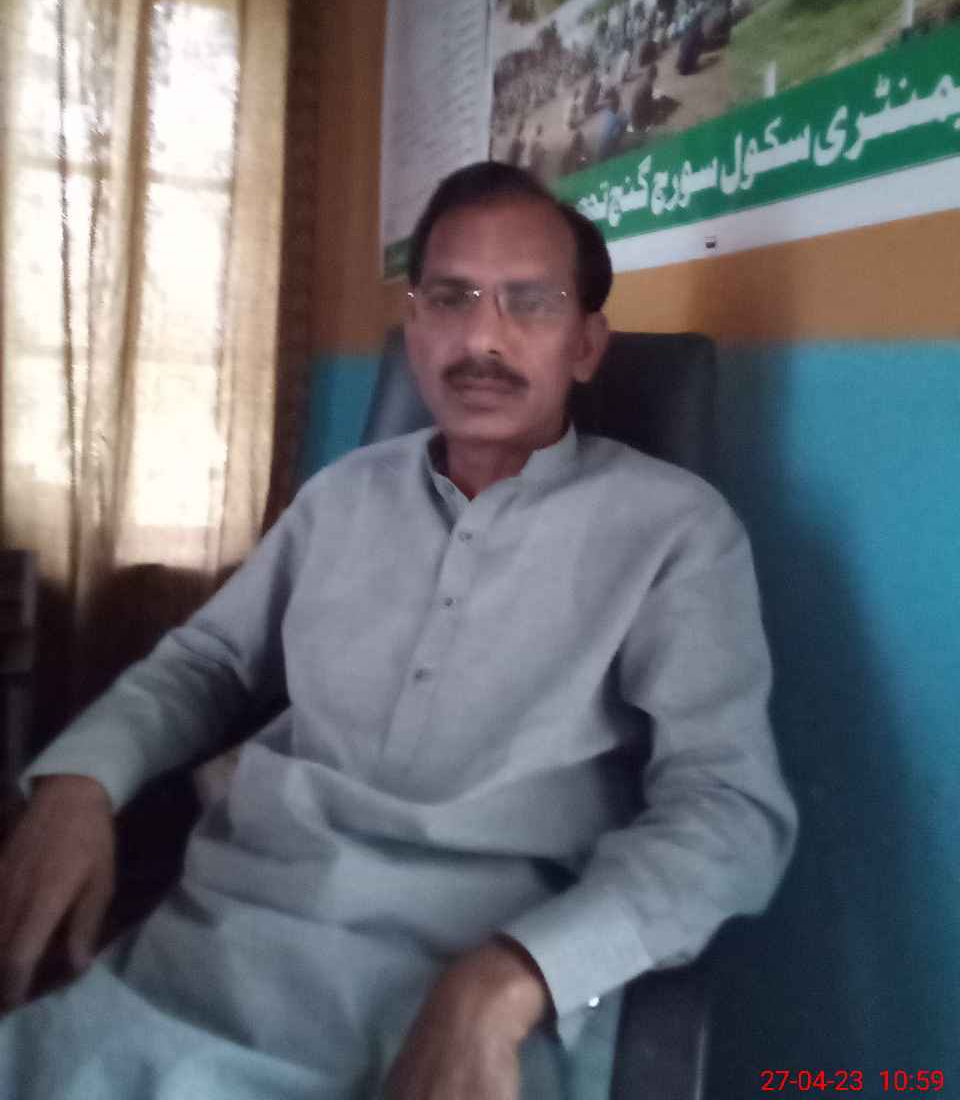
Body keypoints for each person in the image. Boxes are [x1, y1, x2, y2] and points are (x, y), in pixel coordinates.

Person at [0, 161, 796, 1099]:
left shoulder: (676, 531)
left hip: (464, 1005)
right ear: (414, 328)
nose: (482, 338)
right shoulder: (338, 499)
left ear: (586, 345)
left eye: (529, 302)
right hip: (213, 953)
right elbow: (207, 663)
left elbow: (728, 812)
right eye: (450, 298)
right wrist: (82, 780)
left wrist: (511, 977)